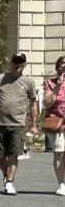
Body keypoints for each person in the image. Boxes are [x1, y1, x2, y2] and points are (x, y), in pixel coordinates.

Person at [0, 52, 37, 195]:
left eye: (21, 62)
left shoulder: (28, 82)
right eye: (16, 62)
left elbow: (33, 105)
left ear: (25, 65)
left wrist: (33, 124)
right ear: (10, 63)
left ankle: (9, 182)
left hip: (18, 124)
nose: (18, 65)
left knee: (13, 154)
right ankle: (7, 175)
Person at [40, 55, 65, 196]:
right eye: (60, 66)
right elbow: (48, 103)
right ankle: (61, 184)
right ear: (57, 68)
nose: (63, 69)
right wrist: (58, 86)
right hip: (56, 123)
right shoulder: (50, 83)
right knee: (59, 154)